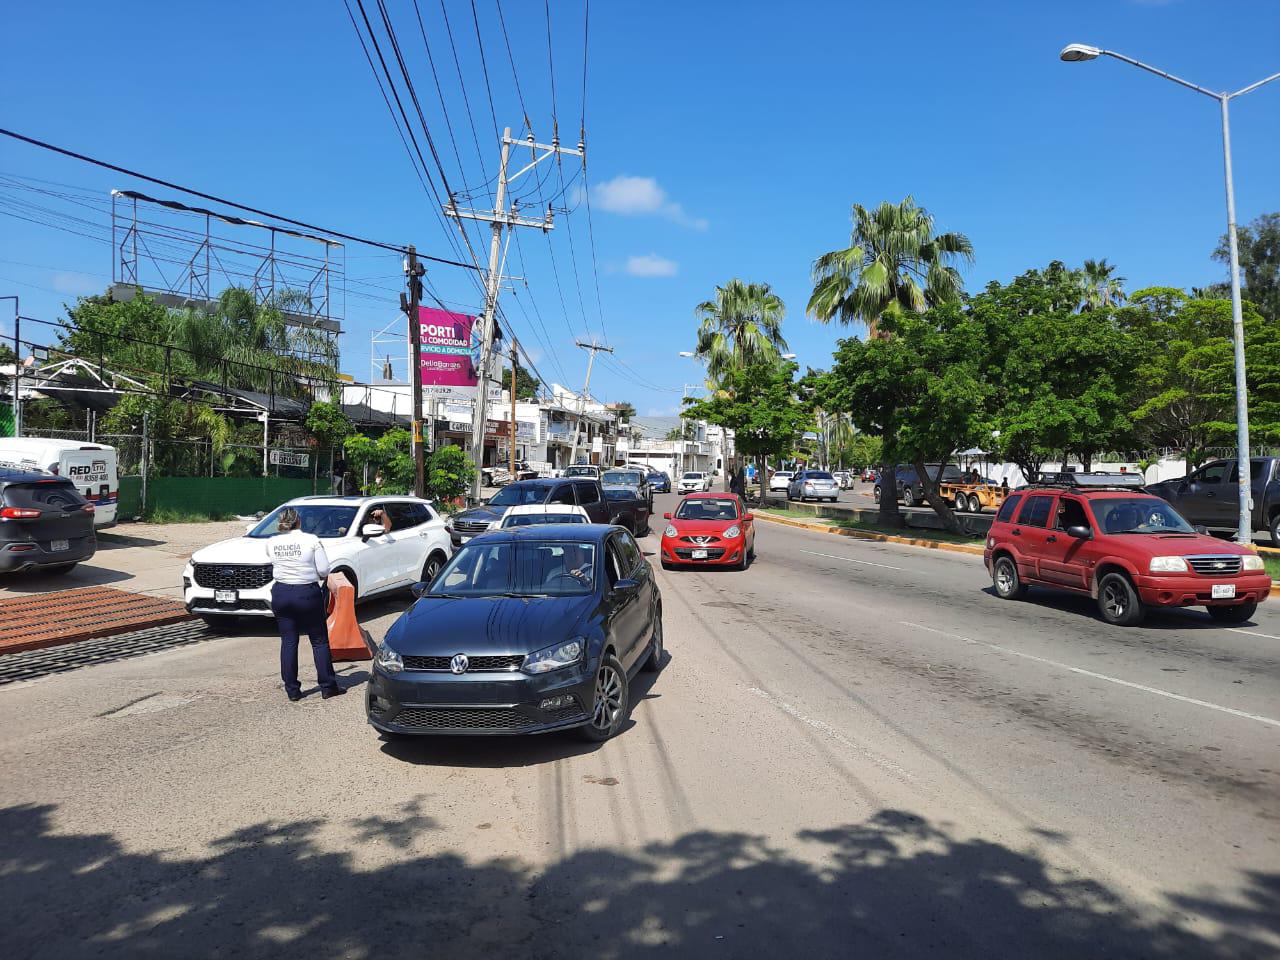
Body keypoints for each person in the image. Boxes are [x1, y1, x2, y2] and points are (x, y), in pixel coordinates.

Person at [266, 507, 344, 702]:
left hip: (281, 592)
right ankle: (328, 686)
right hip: (306, 593)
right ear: (298, 521)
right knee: (319, 640)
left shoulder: (272, 542)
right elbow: (325, 570)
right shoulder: (311, 540)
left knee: (289, 641)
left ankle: (292, 690)